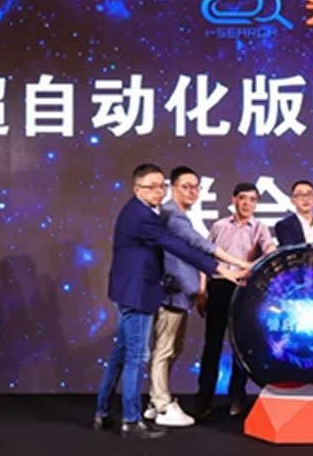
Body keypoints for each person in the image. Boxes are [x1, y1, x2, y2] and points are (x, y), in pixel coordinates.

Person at [93, 163, 245, 439]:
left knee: (121, 354)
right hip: (138, 293)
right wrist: (220, 269)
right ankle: (131, 420)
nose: (158, 192)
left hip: (127, 291)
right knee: (137, 357)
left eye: (160, 186)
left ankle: (102, 413)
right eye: (151, 187)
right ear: (136, 189)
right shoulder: (144, 216)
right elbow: (179, 246)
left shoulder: (139, 211)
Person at [143, 166, 251, 427]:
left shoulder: (176, 215)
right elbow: (199, 245)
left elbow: (194, 253)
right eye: (186, 186)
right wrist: (236, 264)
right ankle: (161, 404)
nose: (192, 191)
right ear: (172, 188)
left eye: (195, 187)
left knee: (171, 349)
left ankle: (156, 402)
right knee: (165, 349)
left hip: (180, 292)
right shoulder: (174, 216)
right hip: (172, 292)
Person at [194, 182, 277, 419]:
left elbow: (270, 249)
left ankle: (237, 396)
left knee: (240, 346)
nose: (247, 204)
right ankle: (203, 398)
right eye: (243, 198)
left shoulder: (260, 228)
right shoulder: (219, 225)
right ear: (234, 200)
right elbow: (205, 257)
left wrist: (255, 263)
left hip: (243, 289)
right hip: (219, 286)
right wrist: (202, 290)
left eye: (253, 200)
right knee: (212, 344)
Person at [275, 180, 313, 246]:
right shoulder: (284, 226)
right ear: (293, 200)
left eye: (309, 194)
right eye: (300, 195)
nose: (305, 199)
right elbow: (289, 249)